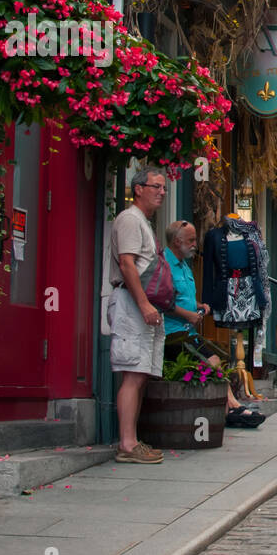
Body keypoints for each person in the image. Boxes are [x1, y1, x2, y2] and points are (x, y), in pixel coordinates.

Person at [161, 220, 263, 428]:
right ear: (177, 241)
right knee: (211, 360)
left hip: (187, 331)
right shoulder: (164, 265)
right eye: (190, 240)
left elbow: (181, 297)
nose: (194, 245)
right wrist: (189, 315)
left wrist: (198, 305)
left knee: (220, 356)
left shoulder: (183, 265)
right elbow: (163, 301)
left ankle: (228, 407)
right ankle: (232, 407)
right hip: (172, 333)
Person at [109, 167, 169, 464]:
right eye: (155, 187)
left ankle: (132, 440)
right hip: (133, 304)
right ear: (138, 189)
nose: (161, 192)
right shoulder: (130, 219)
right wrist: (144, 304)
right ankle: (127, 443)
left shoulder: (141, 221)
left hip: (142, 305)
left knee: (141, 372)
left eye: (163, 188)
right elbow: (127, 265)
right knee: (133, 372)